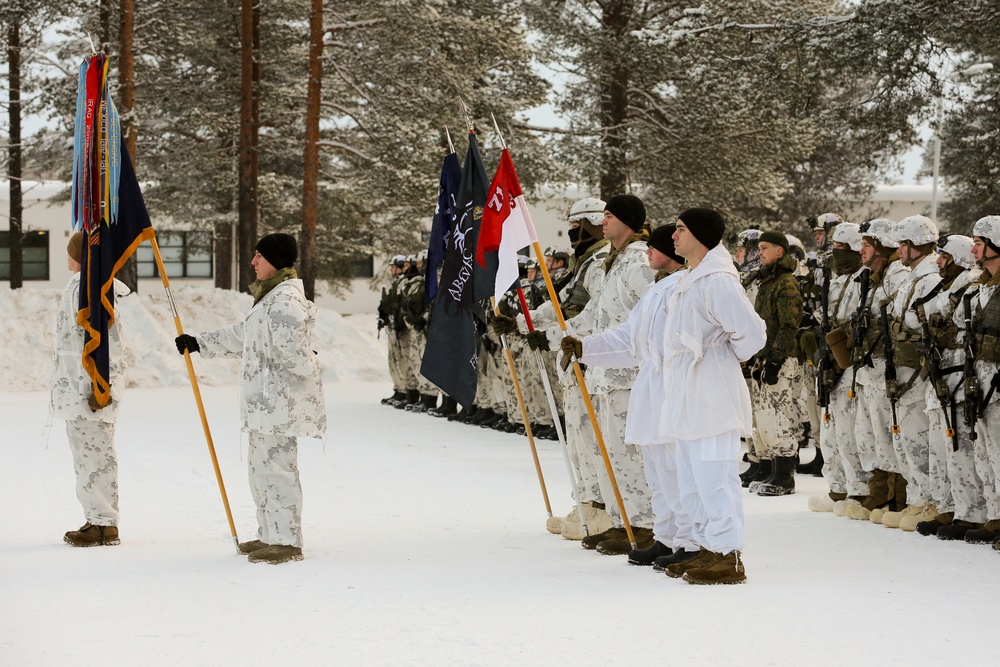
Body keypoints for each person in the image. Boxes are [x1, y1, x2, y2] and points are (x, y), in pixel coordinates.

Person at [175, 233, 327, 564]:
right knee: (261, 472)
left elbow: (300, 358)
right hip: (264, 406)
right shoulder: (269, 299)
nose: (253, 262)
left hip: (278, 407)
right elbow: (244, 335)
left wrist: (311, 360)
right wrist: (200, 342)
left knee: (277, 472)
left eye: (259, 256)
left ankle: (286, 541)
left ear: (276, 261)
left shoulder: (285, 304)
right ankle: (270, 534)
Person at [561, 224, 696, 568]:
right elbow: (627, 334)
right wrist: (584, 346)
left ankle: (688, 542)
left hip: (671, 386)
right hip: (649, 384)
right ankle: (666, 537)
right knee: (655, 467)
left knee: (674, 468)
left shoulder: (687, 286)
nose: (648, 251)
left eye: (656, 246)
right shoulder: (656, 288)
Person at [658, 208, 766, 584]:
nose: (673, 235)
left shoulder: (718, 281)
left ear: (701, 235)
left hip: (713, 395)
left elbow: (752, 335)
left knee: (715, 477)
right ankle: (708, 548)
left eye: (681, 229)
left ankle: (729, 555)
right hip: (688, 395)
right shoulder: (691, 279)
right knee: (691, 479)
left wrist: (721, 356)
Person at [53, 231, 130, 547]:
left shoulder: (89, 285)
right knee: (90, 455)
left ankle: (102, 523)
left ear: (79, 256)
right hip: (87, 388)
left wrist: (100, 385)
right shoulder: (90, 284)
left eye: (70, 252)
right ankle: (98, 519)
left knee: (94, 456)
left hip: (90, 390)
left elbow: (99, 338)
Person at [745, 231, 804, 496]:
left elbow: (789, 324)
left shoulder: (786, 282)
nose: (760, 252)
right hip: (764, 357)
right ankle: (771, 471)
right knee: (765, 418)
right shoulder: (766, 280)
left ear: (780, 250)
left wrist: (776, 359)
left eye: (765, 248)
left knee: (779, 418)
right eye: (759, 248)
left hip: (781, 360)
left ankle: (784, 478)